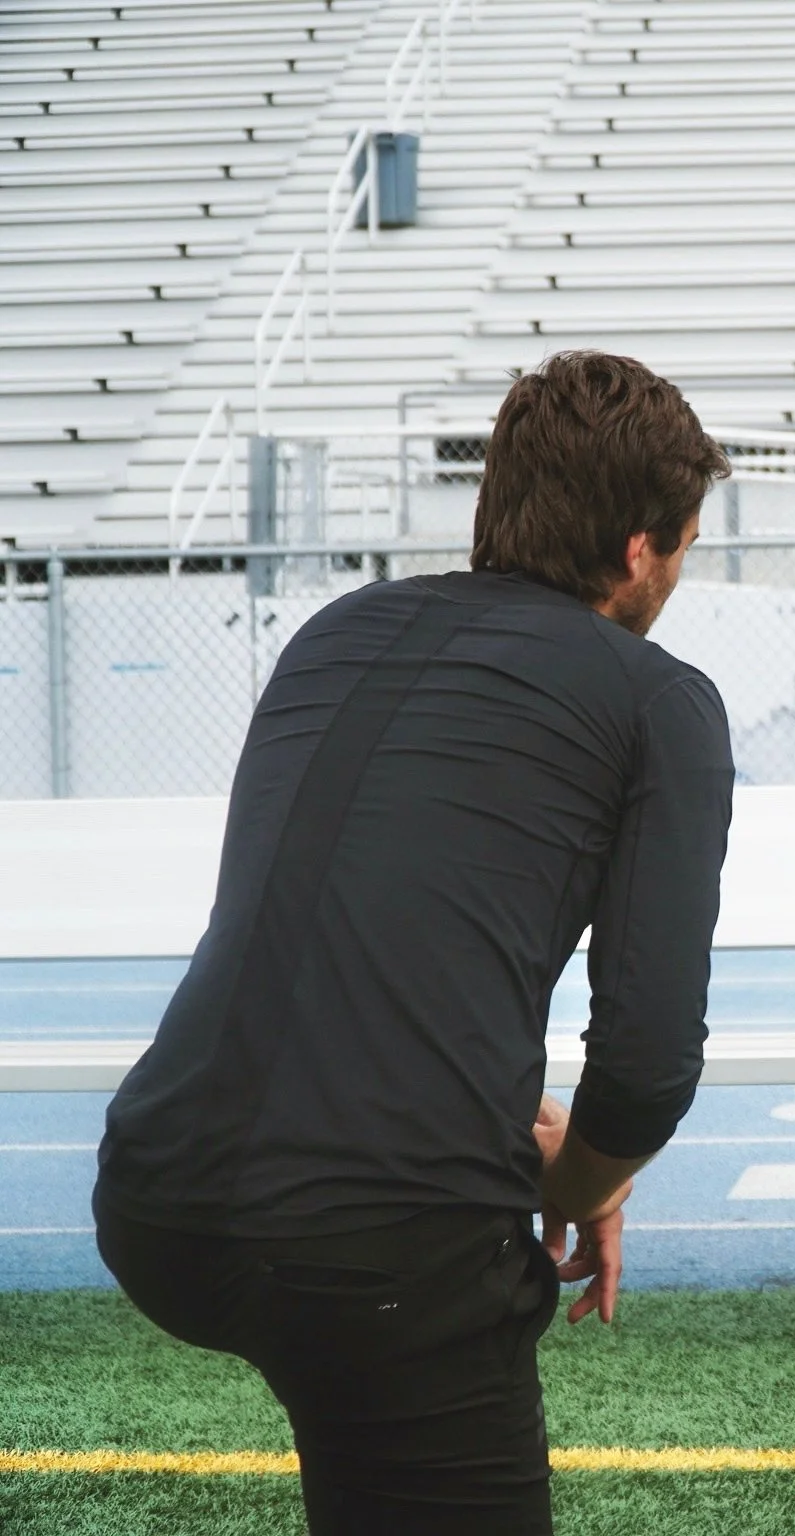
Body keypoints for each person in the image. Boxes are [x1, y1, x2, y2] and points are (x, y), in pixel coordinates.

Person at [93, 350, 736, 1533]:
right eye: (686, 546)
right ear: (644, 547)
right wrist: (573, 1177)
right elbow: (647, 1064)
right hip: (379, 1234)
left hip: (155, 1186)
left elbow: (356, 936)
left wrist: (507, 1137)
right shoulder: (657, 697)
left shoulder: (335, 634)